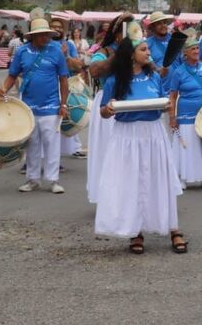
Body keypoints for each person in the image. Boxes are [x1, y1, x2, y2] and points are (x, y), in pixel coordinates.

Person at [96, 27, 186, 254]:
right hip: (126, 136)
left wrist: (167, 107)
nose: (149, 53)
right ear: (131, 54)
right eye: (144, 49)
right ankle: (136, 233)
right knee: (132, 183)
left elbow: (164, 103)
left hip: (153, 134)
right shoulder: (114, 81)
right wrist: (108, 109)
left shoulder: (154, 77)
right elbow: (103, 112)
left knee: (159, 180)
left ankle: (174, 229)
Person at [0, 16, 68, 194]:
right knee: (32, 144)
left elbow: (63, 79)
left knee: (52, 143)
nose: (46, 37)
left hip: (51, 106)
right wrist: (4, 87)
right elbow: (13, 74)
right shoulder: (22, 52)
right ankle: (32, 179)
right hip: (27, 107)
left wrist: (64, 104)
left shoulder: (56, 50)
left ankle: (53, 180)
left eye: (47, 34)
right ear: (33, 36)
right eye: (42, 34)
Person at [168, 37, 202, 189]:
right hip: (186, 113)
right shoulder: (178, 72)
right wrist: (172, 117)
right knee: (187, 145)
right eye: (193, 49)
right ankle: (182, 178)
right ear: (185, 52)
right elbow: (172, 96)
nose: (196, 51)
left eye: (197, 48)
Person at [86, 14, 127, 203]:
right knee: (107, 150)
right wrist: (118, 56)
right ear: (117, 33)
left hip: (130, 101)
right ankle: (107, 196)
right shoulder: (104, 50)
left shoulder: (138, 50)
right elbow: (94, 71)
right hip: (107, 103)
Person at [50, 17, 86, 158]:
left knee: (68, 118)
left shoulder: (68, 44)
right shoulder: (43, 44)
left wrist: (66, 56)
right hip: (49, 87)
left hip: (67, 84)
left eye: (59, 27)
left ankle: (74, 148)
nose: (57, 29)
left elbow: (78, 65)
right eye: (53, 26)